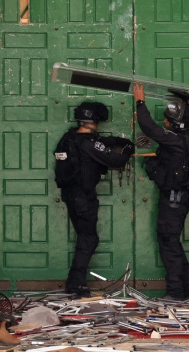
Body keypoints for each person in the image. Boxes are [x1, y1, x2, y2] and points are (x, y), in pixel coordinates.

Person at [133, 82, 189, 301]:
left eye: (167, 120)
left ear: (174, 124)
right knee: (172, 241)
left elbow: (148, 127)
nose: (164, 122)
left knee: (168, 243)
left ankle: (176, 292)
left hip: (174, 200)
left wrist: (140, 101)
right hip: (183, 197)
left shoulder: (173, 141)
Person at [54, 101, 134, 297]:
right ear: (94, 121)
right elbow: (116, 160)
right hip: (83, 197)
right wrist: (127, 149)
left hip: (71, 195)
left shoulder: (68, 139)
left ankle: (74, 283)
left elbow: (94, 145)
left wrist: (111, 141)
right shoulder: (88, 144)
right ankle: (76, 285)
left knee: (85, 237)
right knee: (89, 239)